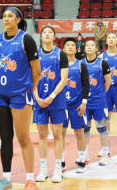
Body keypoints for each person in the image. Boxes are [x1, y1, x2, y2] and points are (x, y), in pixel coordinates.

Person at [0, 7, 40, 189]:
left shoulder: (26, 39)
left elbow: (37, 70)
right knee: (5, 138)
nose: (6, 19)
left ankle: (30, 180)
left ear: (18, 19)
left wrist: (30, 90)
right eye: (4, 16)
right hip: (0, 94)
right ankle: (6, 179)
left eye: (10, 16)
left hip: (20, 94)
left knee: (22, 138)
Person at [34, 26, 68, 183]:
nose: (47, 34)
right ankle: (43, 169)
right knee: (41, 135)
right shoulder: (35, 55)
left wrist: (52, 96)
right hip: (39, 100)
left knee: (57, 134)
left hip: (56, 100)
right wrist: (36, 97)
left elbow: (63, 79)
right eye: (44, 32)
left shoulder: (60, 54)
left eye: (50, 32)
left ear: (54, 36)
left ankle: (57, 168)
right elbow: (31, 79)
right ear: (41, 37)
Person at [61, 38, 90, 173]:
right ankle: (61, 161)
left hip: (76, 105)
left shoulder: (81, 65)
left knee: (79, 133)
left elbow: (86, 85)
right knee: (60, 134)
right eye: (68, 45)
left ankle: (82, 160)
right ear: (64, 48)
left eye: (73, 45)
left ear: (76, 48)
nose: (71, 47)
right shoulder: (59, 65)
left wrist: (84, 102)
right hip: (61, 106)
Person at [82, 40, 111, 165]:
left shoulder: (102, 63)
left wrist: (100, 94)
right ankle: (85, 154)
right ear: (84, 49)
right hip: (85, 102)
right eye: (87, 45)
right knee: (85, 129)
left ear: (96, 48)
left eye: (92, 45)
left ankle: (105, 154)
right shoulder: (80, 63)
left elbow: (108, 81)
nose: (89, 47)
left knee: (102, 128)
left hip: (99, 101)